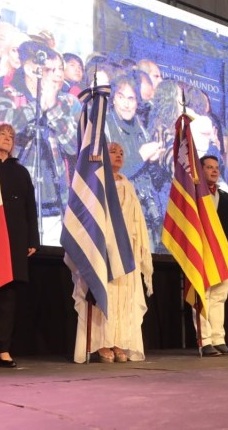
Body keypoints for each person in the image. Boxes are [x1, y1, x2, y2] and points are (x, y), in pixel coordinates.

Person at [72, 142, 154, 363]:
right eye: (113, 151)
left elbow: (137, 221)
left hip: (125, 251)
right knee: (104, 293)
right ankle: (101, 342)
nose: (119, 154)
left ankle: (117, 340)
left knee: (123, 296)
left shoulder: (128, 185)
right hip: (102, 249)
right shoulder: (96, 182)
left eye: (122, 152)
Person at [0, 42, 81, 245]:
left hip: (56, 206)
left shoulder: (68, 102)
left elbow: (74, 146)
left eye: (59, 69)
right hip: (15, 203)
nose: (57, 75)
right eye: (50, 70)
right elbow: (0, 128)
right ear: (30, 69)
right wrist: (38, 105)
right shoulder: (8, 95)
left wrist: (53, 108)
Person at [0, 123, 39, 369]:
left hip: (14, 238)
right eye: (2, 133)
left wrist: (32, 239)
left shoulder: (21, 171)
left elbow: (30, 208)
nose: (7, 138)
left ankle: (2, 350)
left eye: (11, 136)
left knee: (7, 297)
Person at [195, 155, 228, 357]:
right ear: (200, 170)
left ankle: (218, 339)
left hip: (224, 254)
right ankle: (205, 340)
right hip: (202, 252)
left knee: (219, 297)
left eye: (216, 167)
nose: (214, 171)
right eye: (209, 167)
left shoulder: (225, 196)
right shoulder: (194, 195)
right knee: (203, 297)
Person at [105, 74, 164, 251]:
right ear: (113, 99)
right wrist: (141, 156)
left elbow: (156, 181)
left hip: (144, 213)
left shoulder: (141, 129)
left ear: (137, 102)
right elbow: (111, 173)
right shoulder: (106, 127)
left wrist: (154, 162)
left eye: (131, 98)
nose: (126, 104)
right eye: (121, 97)